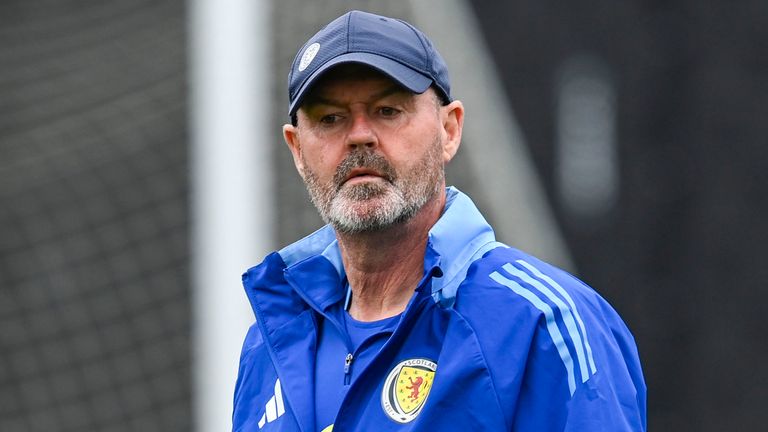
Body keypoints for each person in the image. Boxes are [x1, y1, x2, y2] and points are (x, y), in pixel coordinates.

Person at [233, 10, 646, 432]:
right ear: (297, 150)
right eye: (330, 118)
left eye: (387, 110)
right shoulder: (270, 342)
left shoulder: (542, 322)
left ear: (449, 130)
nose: (359, 135)